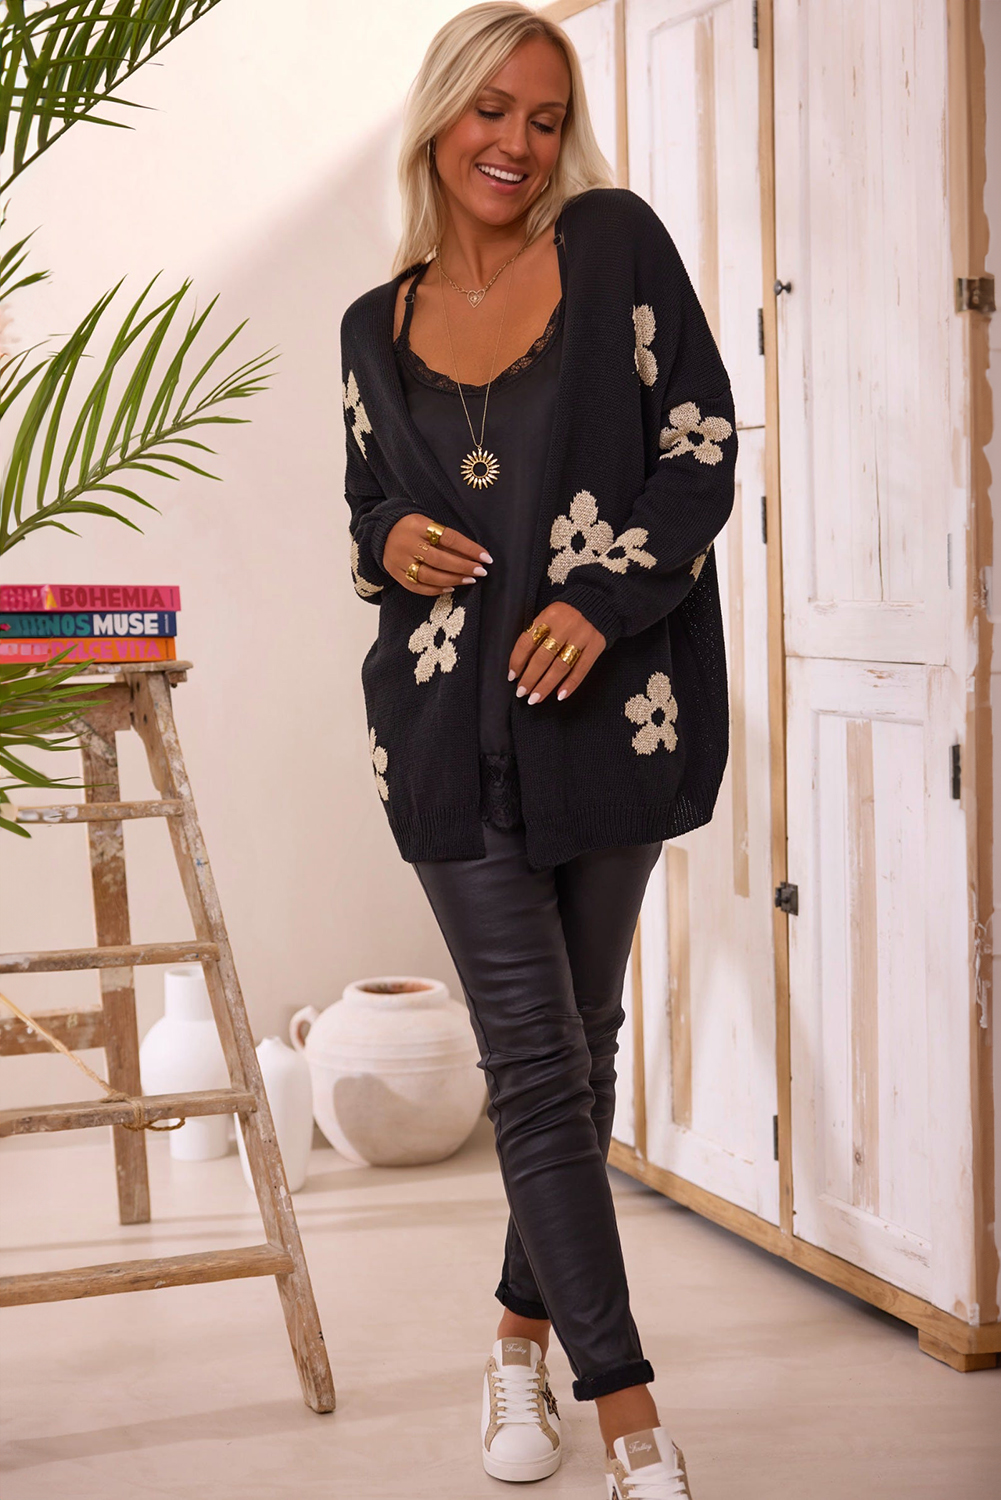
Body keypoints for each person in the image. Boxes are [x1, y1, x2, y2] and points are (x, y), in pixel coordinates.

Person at [339, 5, 737, 1495]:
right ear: (439, 118)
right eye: (490, 109)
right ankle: (629, 1412)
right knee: (529, 1052)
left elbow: (699, 447)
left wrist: (600, 599)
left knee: (577, 1043)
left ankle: (518, 1340)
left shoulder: (615, 245)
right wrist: (392, 535)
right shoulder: (370, 327)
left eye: (545, 117)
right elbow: (365, 507)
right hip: (444, 732)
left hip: (609, 716)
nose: (515, 141)